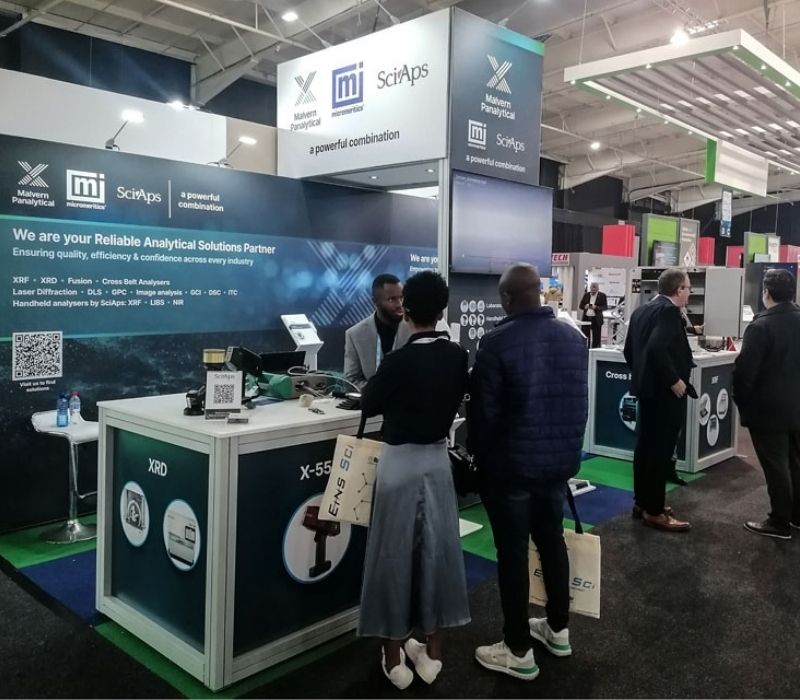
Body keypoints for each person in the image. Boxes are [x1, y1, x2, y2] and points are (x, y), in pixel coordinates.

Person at [468, 264, 588, 681]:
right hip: (557, 466)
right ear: (539, 292)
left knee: (513, 555)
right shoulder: (574, 338)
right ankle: (558, 629)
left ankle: (518, 648)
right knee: (552, 543)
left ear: (506, 298)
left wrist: (478, 459)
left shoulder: (496, 343)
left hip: (510, 470)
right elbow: (578, 405)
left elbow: (483, 417)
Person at [357, 271, 470, 689]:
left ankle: (394, 657)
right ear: (441, 310)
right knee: (439, 555)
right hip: (437, 464)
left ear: (406, 309)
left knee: (392, 557)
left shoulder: (398, 360)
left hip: (398, 467)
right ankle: (433, 654)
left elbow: (368, 402)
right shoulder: (457, 356)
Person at [623, 268, 695, 532]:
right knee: (660, 451)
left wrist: (644, 376)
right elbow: (656, 348)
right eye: (688, 288)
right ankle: (654, 510)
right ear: (678, 290)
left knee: (645, 448)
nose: (689, 293)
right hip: (665, 394)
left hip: (647, 391)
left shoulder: (642, 311)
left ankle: (643, 503)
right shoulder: (668, 312)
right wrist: (673, 380)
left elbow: (629, 351)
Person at [733, 268, 800, 540]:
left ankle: (779, 521)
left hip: (768, 410)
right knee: (795, 462)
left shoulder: (760, 327)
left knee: (776, 466)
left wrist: (742, 401)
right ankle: (796, 516)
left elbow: (745, 373)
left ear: (766, 293)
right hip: (796, 406)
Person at [344, 273, 410, 390]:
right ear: (375, 302)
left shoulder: (414, 329)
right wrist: (377, 391)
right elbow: (351, 380)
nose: (399, 304)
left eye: (401, 298)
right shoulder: (355, 334)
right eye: (392, 299)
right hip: (372, 399)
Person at [578, 281, 608, 348]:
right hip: (586, 318)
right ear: (590, 288)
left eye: (595, 288)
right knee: (585, 336)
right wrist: (585, 306)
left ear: (598, 288)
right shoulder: (586, 295)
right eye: (592, 288)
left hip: (596, 319)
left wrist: (596, 307)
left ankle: (595, 350)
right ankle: (586, 349)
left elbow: (605, 307)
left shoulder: (602, 296)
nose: (593, 290)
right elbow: (581, 306)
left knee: (596, 337)